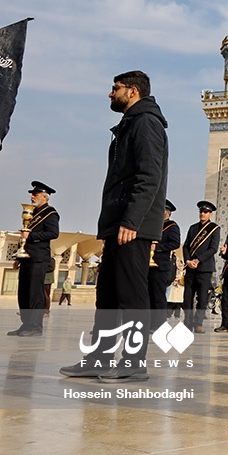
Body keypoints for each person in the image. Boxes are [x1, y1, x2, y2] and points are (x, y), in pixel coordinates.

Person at [60, 70, 168, 382]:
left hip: (131, 226)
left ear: (132, 91)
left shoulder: (146, 123)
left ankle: (134, 362)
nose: (111, 94)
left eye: (115, 88)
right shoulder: (132, 123)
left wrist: (132, 220)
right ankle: (99, 357)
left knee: (131, 295)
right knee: (107, 295)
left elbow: (149, 176)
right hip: (119, 222)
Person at [9, 181, 60, 336]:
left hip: (39, 258)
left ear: (44, 197)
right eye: (32, 194)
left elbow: (53, 233)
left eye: (35, 194)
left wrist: (31, 236)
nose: (32, 196)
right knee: (23, 292)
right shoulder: (32, 213)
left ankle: (35, 327)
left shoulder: (50, 213)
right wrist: (19, 256)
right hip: (27, 258)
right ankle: (25, 325)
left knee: (34, 293)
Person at [182, 201, 220, 332]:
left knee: (202, 298)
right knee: (187, 298)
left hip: (204, 268)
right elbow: (186, 246)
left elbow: (213, 249)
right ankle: (187, 322)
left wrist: (198, 260)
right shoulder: (193, 228)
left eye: (205, 212)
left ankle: (198, 323)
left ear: (210, 214)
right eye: (201, 212)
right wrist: (187, 260)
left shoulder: (214, 229)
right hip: (190, 267)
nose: (202, 214)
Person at [148, 200, 181, 329]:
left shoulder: (172, 226)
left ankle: (158, 324)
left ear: (168, 213)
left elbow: (175, 243)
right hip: (148, 266)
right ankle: (149, 323)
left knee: (158, 296)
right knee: (148, 295)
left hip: (160, 266)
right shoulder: (152, 225)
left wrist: (157, 247)